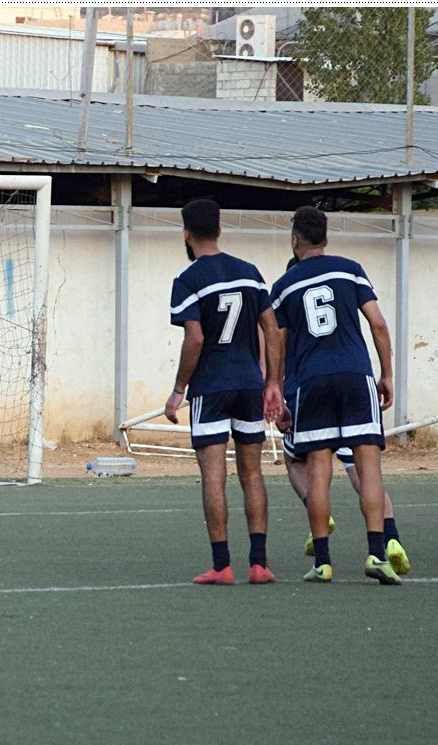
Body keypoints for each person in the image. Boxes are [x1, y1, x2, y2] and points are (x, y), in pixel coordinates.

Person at [268, 206, 398, 585]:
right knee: (368, 466)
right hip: (357, 377)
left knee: (319, 471)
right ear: (326, 239)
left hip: (312, 382)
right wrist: (386, 374)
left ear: (295, 241)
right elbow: (377, 322)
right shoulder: (350, 269)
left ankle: (323, 562)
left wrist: (276, 387)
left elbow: (277, 341)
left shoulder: (284, 286)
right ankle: (376, 554)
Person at [164, 198, 282, 585]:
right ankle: (260, 564)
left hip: (211, 389)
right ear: (219, 229)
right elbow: (272, 329)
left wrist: (180, 388)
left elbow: (194, 338)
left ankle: (221, 565)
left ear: (185, 233)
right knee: (252, 473)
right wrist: (273, 383)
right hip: (249, 384)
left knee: (214, 477)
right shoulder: (249, 273)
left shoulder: (187, 280)